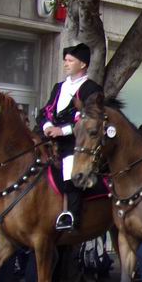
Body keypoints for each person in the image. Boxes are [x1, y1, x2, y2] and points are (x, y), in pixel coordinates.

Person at [37, 43, 104, 231]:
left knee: (70, 170)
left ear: (82, 64)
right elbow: (45, 111)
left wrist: (63, 131)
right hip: (50, 141)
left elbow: (91, 119)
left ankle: (71, 216)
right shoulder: (59, 87)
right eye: (65, 60)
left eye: (70, 60)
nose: (65, 64)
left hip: (77, 144)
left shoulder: (92, 88)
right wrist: (48, 126)